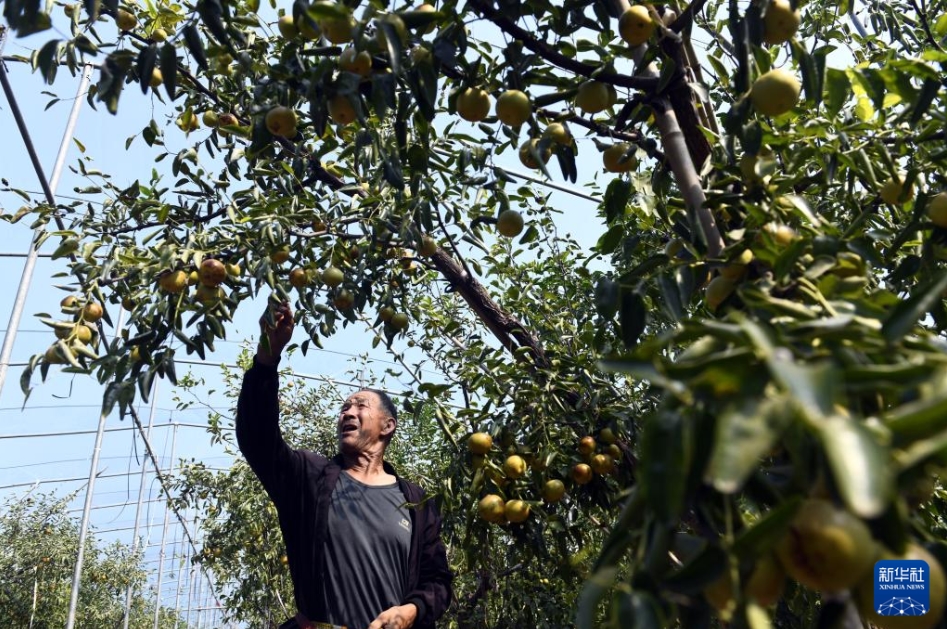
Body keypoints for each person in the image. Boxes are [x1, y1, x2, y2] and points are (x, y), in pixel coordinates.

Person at [236, 301, 453, 629]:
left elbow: (438, 582)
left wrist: (410, 611)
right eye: (344, 408)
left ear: (388, 426)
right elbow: (258, 439)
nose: (348, 412)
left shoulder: (415, 503)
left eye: (360, 406)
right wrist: (267, 356)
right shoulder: (310, 479)